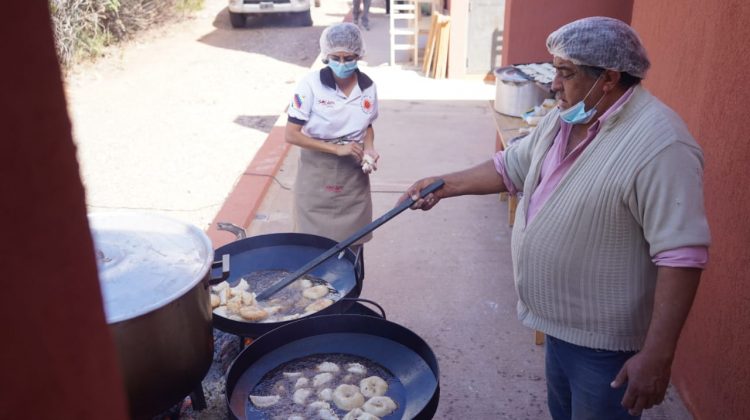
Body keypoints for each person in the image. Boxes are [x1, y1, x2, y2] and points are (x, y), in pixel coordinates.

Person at [401, 16, 710, 420]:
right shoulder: (566, 118)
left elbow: (681, 257)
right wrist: (444, 185)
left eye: (565, 73)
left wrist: (657, 356)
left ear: (610, 78)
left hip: (607, 347)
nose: (553, 84)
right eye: (554, 70)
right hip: (560, 328)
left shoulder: (660, 144)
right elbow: (510, 167)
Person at [286, 22, 379, 255]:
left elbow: (368, 125)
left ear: (358, 55)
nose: (342, 63)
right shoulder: (310, 86)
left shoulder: (368, 88)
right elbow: (291, 134)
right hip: (316, 175)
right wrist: (336, 149)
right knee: (312, 248)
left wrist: (369, 147)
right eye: (336, 57)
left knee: (352, 247)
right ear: (326, 56)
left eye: (348, 57)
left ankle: (352, 289)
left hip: (353, 177)